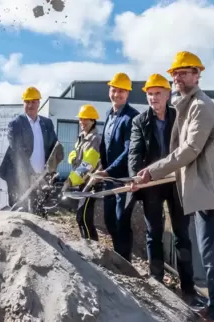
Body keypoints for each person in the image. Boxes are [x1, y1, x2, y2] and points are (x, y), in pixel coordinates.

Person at [135, 51, 214, 322]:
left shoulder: (201, 107)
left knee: (209, 253)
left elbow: (190, 149)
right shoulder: (189, 105)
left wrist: (153, 170)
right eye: (175, 74)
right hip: (203, 189)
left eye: (184, 72)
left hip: (210, 191)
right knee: (208, 251)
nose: (179, 77)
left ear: (197, 75)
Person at [128, 73, 198, 301]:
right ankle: (156, 283)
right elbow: (135, 152)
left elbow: (188, 147)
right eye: (149, 94)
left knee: (181, 234)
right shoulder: (139, 121)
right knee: (153, 232)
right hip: (152, 183)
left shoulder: (179, 116)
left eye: (158, 93)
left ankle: (188, 289)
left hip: (177, 182)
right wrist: (135, 177)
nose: (153, 98)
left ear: (168, 94)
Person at [95, 72, 139, 261]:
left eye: (121, 91)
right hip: (109, 179)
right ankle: (118, 256)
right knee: (110, 220)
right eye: (114, 90)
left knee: (121, 220)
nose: (117, 94)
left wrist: (108, 171)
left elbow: (129, 150)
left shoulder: (132, 117)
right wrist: (101, 168)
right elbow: (105, 145)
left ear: (127, 94)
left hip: (123, 178)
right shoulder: (109, 114)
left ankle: (125, 261)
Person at [0, 86, 61, 216]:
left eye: (34, 101)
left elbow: (54, 148)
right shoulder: (15, 124)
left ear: (39, 103)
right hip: (20, 177)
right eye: (27, 102)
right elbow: (17, 153)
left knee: (39, 214)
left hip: (41, 176)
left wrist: (51, 168)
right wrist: (30, 174)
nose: (30, 105)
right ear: (23, 103)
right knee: (20, 214)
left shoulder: (47, 123)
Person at [66, 104, 102, 241]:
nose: (82, 122)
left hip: (90, 184)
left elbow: (88, 165)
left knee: (84, 218)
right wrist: (72, 157)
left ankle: (93, 247)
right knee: (80, 217)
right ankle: (86, 244)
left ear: (93, 121)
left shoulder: (95, 140)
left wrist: (70, 181)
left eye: (86, 119)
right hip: (82, 183)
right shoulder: (82, 137)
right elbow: (78, 156)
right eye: (81, 119)